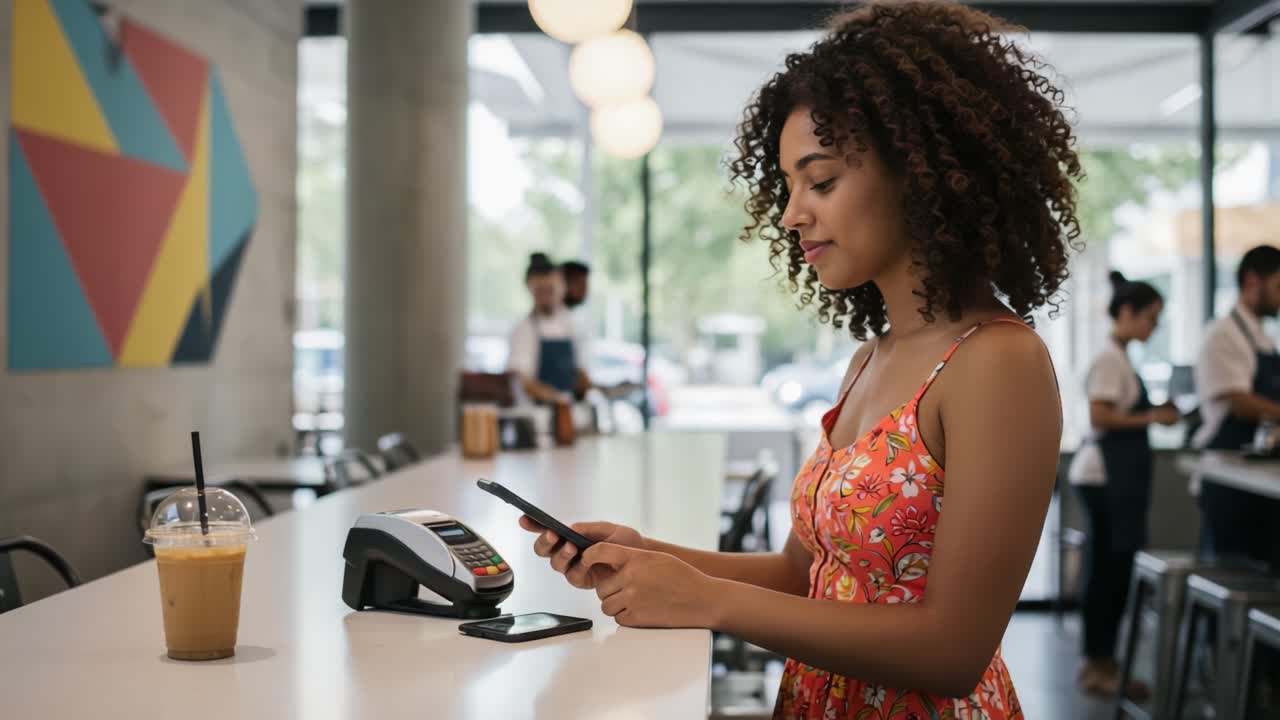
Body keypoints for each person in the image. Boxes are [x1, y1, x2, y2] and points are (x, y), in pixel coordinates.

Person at [520, 3, 1077, 718]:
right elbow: (804, 572)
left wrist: (710, 601)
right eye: (787, 186)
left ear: (920, 173)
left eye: (820, 182)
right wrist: (648, 554)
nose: (790, 214)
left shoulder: (999, 364)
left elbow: (955, 650)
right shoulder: (869, 361)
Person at [1067, 272, 1179, 696]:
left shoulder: (1119, 356)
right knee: (1107, 576)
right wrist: (1154, 417)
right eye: (1151, 318)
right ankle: (1100, 667)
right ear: (1128, 313)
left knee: (1110, 573)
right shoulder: (1110, 359)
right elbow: (1101, 416)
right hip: (1105, 479)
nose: (1153, 328)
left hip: (1113, 478)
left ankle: (1100, 663)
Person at [1192, 244, 1280, 569]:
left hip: (1256, 471)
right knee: (1232, 570)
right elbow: (1239, 403)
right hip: (1228, 474)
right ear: (1251, 281)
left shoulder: (1263, 338)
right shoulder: (1222, 334)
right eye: (1278, 286)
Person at [507, 253, 592, 404]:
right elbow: (523, 380)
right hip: (533, 416)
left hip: (568, 411)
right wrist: (554, 397)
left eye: (550, 289)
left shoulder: (573, 325)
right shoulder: (523, 330)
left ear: (562, 286)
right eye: (540, 290)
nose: (546, 296)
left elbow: (581, 370)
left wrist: (583, 384)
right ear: (530, 288)